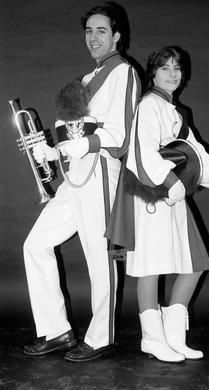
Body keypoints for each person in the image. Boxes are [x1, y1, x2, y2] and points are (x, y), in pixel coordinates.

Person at [23, 1, 140, 362]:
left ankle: (101, 336)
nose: (93, 37)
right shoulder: (87, 80)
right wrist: (50, 151)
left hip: (101, 171)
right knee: (35, 245)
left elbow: (119, 136)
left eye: (101, 30)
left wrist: (77, 144)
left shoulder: (123, 72)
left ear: (117, 36)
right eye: (89, 31)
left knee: (99, 257)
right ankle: (57, 330)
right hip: (75, 176)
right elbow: (72, 133)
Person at [124, 46, 209, 363]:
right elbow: (143, 153)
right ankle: (152, 339)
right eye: (165, 68)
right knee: (150, 266)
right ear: (152, 73)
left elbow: (198, 155)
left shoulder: (178, 113)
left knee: (193, 264)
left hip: (175, 193)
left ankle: (173, 336)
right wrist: (171, 183)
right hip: (151, 193)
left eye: (177, 68)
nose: (172, 73)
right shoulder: (148, 105)